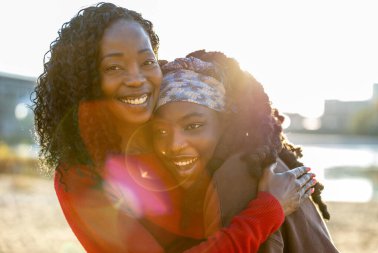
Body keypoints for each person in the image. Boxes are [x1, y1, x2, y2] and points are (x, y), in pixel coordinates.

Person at [32, 2, 316, 252]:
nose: (136, 78)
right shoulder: (81, 175)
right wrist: (268, 209)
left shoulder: (172, 109)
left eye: (147, 61)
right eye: (114, 67)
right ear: (86, 81)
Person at [171, 50, 339, 252]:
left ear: (226, 123)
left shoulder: (239, 175)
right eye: (161, 131)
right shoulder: (252, 160)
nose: (174, 144)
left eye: (193, 126)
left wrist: (266, 210)